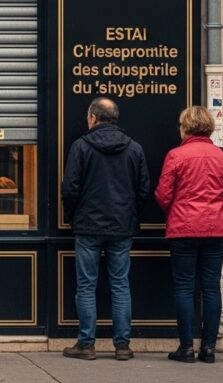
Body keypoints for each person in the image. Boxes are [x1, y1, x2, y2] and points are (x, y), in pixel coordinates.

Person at [61, 97, 150, 361]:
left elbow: (70, 188)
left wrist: (73, 215)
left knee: (86, 286)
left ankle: (86, 344)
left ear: (92, 118)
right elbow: (144, 189)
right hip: (122, 226)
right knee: (120, 285)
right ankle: (122, 346)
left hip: (88, 226)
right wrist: (131, 214)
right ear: (115, 119)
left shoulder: (80, 146)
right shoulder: (134, 148)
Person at [155, 106, 223, 364]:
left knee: (184, 288)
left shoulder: (176, 155)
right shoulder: (222, 156)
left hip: (184, 228)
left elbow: (163, 195)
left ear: (186, 127)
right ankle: (209, 349)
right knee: (211, 287)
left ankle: (186, 348)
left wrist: (176, 209)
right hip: (217, 228)